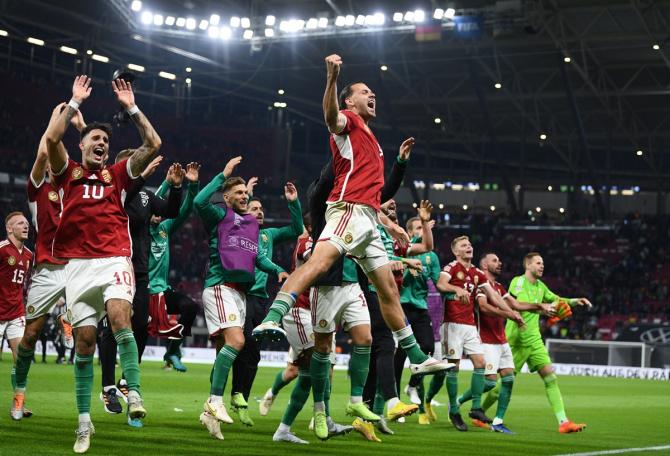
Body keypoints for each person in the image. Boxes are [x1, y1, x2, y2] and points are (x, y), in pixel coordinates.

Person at [255, 54, 451, 401]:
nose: (372, 95)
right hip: (349, 211)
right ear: (350, 100)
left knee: (388, 288)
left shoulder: (372, 140)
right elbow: (329, 117)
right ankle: (274, 315)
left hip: (369, 220)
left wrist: (389, 223)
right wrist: (331, 78)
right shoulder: (347, 120)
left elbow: (379, 192)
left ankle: (417, 359)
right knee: (320, 262)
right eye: (365, 91)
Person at [44, 75, 162, 453]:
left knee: (119, 315)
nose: (101, 143)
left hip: (114, 257)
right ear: (81, 145)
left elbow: (153, 144)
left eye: (106, 141)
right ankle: (83, 422)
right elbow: (50, 140)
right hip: (78, 265)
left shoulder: (117, 176)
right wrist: (75, 102)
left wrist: (132, 108)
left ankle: (135, 392)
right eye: (95, 139)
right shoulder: (68, 174)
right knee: (84, 342)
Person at [194, 156, 288, 441]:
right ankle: (214, 400)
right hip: (220, 286)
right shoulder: (220, 216)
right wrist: (223, 174)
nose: (244, 196)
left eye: (246, 193)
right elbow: (199, 202)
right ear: (226, 197)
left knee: (225, 348)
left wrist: (278, 270)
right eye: (239, 193)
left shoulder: (250, 224)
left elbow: (258, 257)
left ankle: (210, 415)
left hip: (239, 294)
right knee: (238, 341)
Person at [11, 102, 83, 420]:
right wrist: (58, 116)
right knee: (29, 337)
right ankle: (19, 395)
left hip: (77, 266)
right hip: (46, 269)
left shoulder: (78, 187)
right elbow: (45, 150)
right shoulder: (38, 190)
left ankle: (70, 317)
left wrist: (79, 124)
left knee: (89, 327)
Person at [97, 157, 183, 424]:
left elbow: (171, 211)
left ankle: (126, 379)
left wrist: (177, 188)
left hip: (141, 270)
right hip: (116, 266)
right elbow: (128, 190)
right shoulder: (112, 193)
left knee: (140, 325)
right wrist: (143, 175)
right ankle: (109, 387)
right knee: (115, 327)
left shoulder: (145, 197)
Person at [424, 236, 522, 432]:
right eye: (463, 246)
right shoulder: (451, 267)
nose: (468, 247)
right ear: (456, 251)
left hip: (469, 326)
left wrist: (510, 313)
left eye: (469, 245)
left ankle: (476, 407)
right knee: (454, 368)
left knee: (481, 364)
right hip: (452, 324)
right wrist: (456, 288)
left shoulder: (477, 272)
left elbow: (493, 295)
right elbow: (441, 284)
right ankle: (454, 410)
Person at [230, 178, 303, 426]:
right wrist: (245, 196)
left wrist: (293, 203)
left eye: (261, 209)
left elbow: (296, 229)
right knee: (239, 347)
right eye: (254, 208)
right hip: (239, 294)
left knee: (253, 355)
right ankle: (222, 398)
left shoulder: (268, 235)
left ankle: (241, 400)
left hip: (261, 300)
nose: (259, 212)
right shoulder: (238, 230)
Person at [498, 252, 591, 433]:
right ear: (528, 265)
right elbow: (513, 304)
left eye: (543, 263)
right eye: (538, 263)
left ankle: (563, 422)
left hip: (534, 340)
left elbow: (556, 299)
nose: (542, 266)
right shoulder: (518, 282)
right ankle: (479, 412)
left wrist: (574, 301)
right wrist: (540, 308)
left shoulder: (541, 287)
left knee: (550, 377)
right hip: (516, 340)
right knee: (501, 385)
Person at [455, 252, 528, 433]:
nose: (500, 263)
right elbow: (485, 308)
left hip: (501, 340)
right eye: (495, 260)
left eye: (499, 259)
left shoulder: (499, 287)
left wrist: (541, 307)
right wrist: (508, 314)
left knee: (509, 379)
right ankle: (457, 402)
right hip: (485, 340)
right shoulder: (480, 285)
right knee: (488, 383)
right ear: (485, 266)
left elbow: (516, 305)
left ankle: (497, 422)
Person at [149, 163, 201, 372]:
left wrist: (193, 185)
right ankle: (125, 379)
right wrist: (167, 182)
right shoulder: (136, 228)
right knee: (138, 335)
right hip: (141, 291)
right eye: (154, 210)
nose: (158, 214)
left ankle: (173, 350)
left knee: (190, 307)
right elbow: (150, 203)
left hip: (161, 290)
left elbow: (186, 209)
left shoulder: (165, 227)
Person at [393, 214, 441, 425]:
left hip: (420, 308)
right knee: (399, 355)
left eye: (424, 228)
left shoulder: (431, 256)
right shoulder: (403, 249)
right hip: (401, 306)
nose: (422, 231)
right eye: (418, 229)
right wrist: (407, 269)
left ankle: (412, 385)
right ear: (410, 232)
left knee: (428, 348)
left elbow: (439, 281)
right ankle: (395, 402)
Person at [1, 212, 33, 414]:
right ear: (9, 228)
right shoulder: (2, 250)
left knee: (21, 358)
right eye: (20, 223)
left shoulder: (29, 255)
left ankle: (18, 403)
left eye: (27, 223)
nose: (25, 226)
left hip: (16, 313)